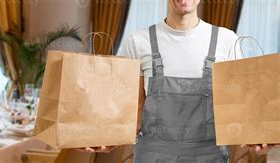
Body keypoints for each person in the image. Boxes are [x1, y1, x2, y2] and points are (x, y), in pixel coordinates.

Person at [79, 0, 279, 162]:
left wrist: (259, 137)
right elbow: (134, 108)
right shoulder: (137, 41)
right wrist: (103, 136)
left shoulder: (227, 40)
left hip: (210, 156)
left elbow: (240, 106)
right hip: (152, 156)